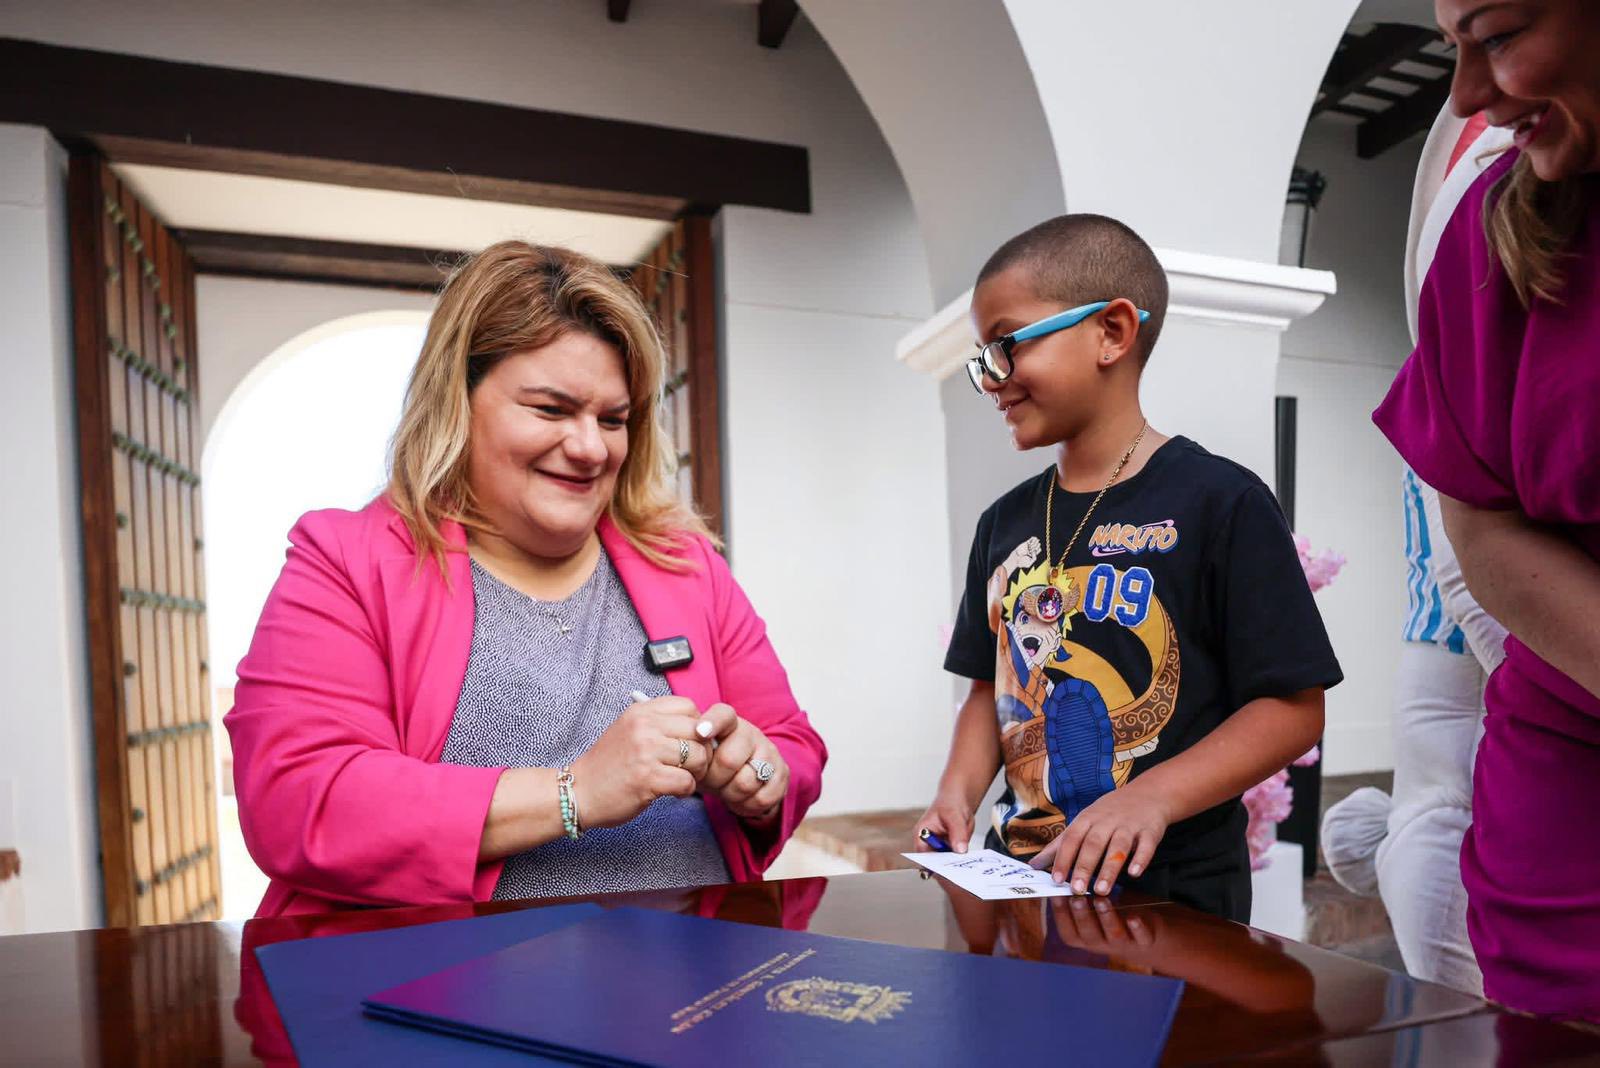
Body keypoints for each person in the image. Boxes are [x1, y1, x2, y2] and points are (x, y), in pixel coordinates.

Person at [226, 241, 826, 917]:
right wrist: (574, 793)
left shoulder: (684, 562)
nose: (591, 448)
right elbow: (298, 800)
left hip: (695, 984)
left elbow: (793, 748)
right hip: (450, 995)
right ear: (458, 399)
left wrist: (760, 773)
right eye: (550, 409)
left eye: (613, 419)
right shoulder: (345, 560)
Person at [917, 214, 1342, 922]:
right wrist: (956, 796)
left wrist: (1151, 796)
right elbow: (988, 691)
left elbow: (1292, 709)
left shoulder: (1222, 502)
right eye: (981, 359)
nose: (991, 379)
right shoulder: (1003, 523)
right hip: (1018, 887)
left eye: (1006, 345)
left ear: (1112, 331)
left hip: (1172, 899)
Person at [1372, 0, 1600, 1021]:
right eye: (1451, 45)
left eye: (1499, 35)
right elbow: (1481, 532)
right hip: (1567, 795)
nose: (1466, 98)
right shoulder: (1490, 232)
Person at [1320, 112, 1511, 996]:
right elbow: (1468, 579)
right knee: (1438, 813)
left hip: (1478, 667)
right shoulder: (1443, 389)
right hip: (1466, 653)